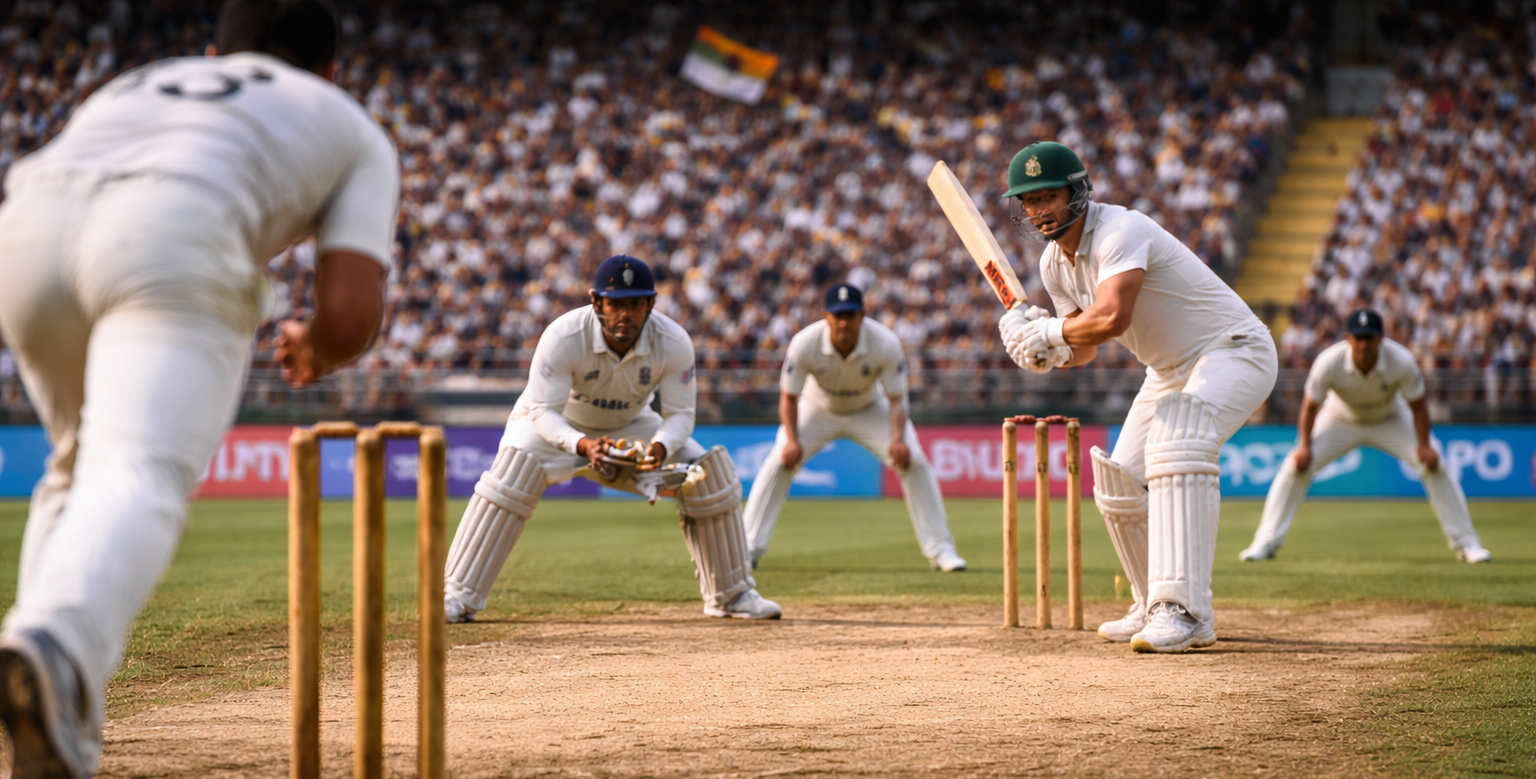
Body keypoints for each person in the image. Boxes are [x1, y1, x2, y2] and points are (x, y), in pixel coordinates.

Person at [0, 0, 399, 779]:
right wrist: (317, 350)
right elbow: (348, 312)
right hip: (170, 234)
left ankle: (66, 756)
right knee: (140, 471)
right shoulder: (346, 122)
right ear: (327, 71)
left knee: (75, 472)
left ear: (218, 50)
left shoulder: (139, 83)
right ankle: (53, 643)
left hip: (26, 228)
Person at [997, 141, 1278, 654]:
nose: (1038, 210)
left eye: (1048, 196)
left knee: (1179, 445)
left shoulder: (1120, 231)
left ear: (1077, 191)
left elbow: (1111, 318)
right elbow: (1084, 348)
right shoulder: (1054, 264)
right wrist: (1045, 348)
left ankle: (1187, 612)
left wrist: (1053, 332)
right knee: (1120, 477)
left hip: (1232, 350)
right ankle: (1151, 601)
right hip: (1168, 369)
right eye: (1028, 201)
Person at [442, 254, 781, 623]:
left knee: (709, 473)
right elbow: (542, 411)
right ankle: (457, 597)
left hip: (632, 425)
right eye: (616, 304)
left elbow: (681, 415)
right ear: (596, 301)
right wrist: (584, 445)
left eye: (636, 304)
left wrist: (660, 447)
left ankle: (731, 596)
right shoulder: (564, 335)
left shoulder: (672, 340)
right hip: (556, 424)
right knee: (510, 475)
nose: (626, 314)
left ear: (651, 303)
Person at [742, 283, 966, 571]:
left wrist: (898, 439)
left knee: (915, 461)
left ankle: (941, 551)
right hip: (816, 408)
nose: (844, 322)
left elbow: (897, 399)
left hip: (870, 408)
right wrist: (792, 440)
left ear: (862, 315)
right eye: (838, 315)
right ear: (825, 316)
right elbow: (789, 397)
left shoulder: (885, 342)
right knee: (778, 462)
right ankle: (747, 549)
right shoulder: (804, 342)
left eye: (850, 314)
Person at [1241, 309, 1491, 563]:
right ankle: (1265, 543)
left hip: (1391, 417)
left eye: (1369, 338)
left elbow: (1418, 406)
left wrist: (1425, 446)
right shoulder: (1329, 361)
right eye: (1358, 338)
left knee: (1436, 465)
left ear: (1380, 338)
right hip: (1339, 418)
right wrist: (1304, 447)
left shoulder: (1401, 360)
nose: (1363, 344)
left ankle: (1467, 545)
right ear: (1348, 338)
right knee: (1295, 466)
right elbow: (1309, 408)